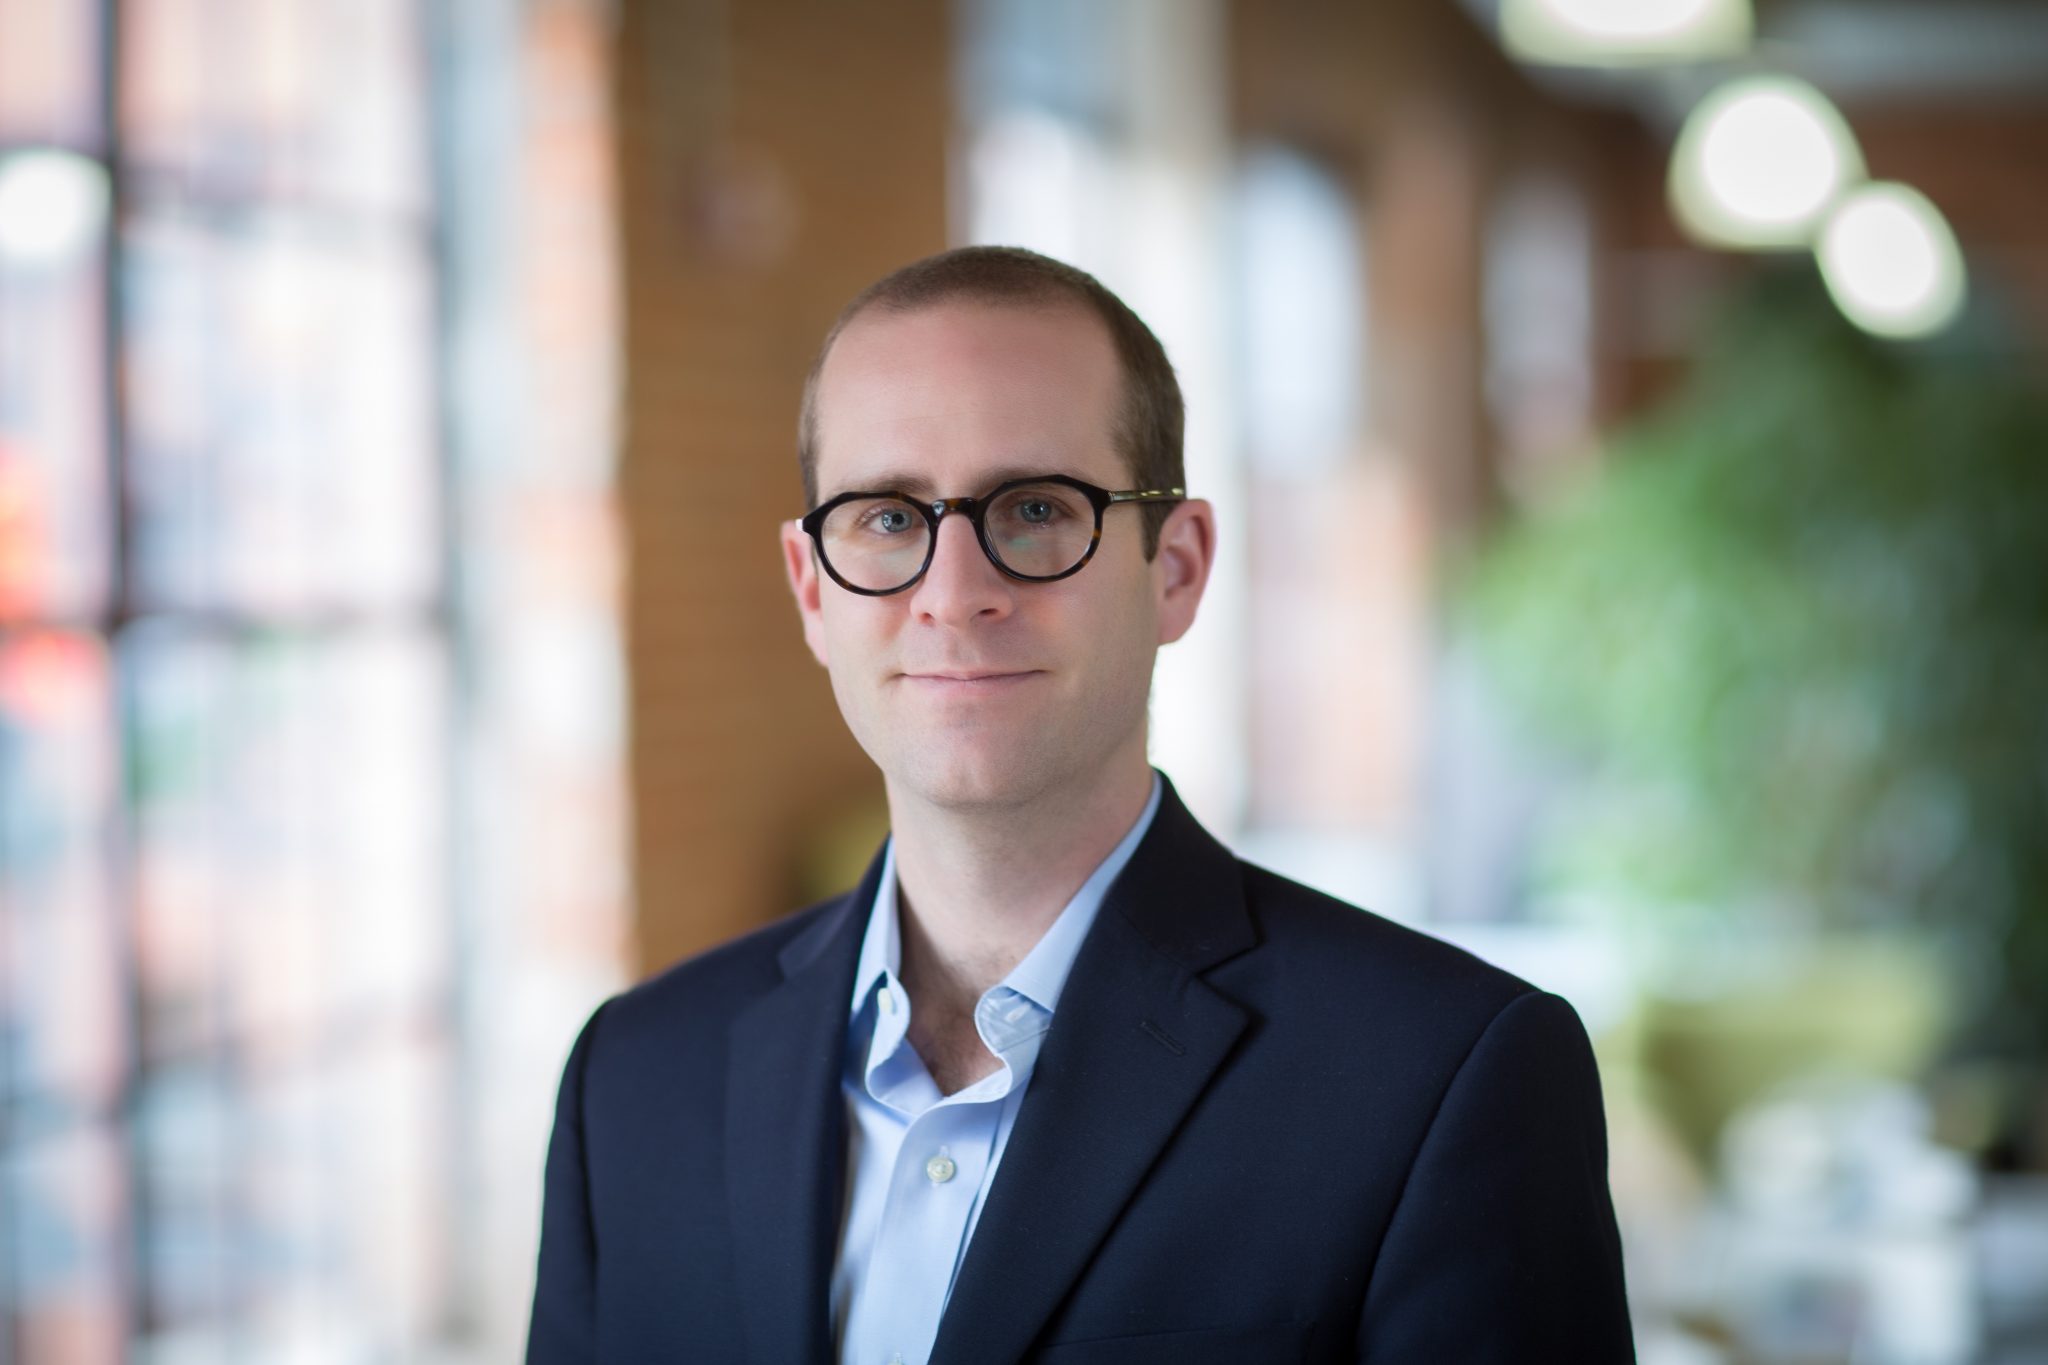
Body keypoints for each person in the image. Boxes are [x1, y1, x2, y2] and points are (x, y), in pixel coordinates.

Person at [526, 246, 1635, 1364]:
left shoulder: (1443, 1078)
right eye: (888, 519)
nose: (954, 595)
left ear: (1176, 569)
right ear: (812, 587)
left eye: (1035, 509)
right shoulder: (634, 1080)